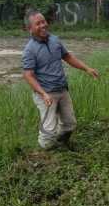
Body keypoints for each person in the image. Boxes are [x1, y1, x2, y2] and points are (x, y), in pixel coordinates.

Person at [22, 9, 99, 150]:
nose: (43, 25)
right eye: (38, 24)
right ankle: (43, 153)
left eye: (43, 21)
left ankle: (61, 145)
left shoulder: (55, 40)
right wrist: (43, 93)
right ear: (30, 29)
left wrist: (87, 68)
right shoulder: (29, 50)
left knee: (70, 124)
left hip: (62, 90)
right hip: (46, 94)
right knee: (48, 132)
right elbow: (28, 75)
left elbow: (68, 57)